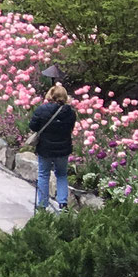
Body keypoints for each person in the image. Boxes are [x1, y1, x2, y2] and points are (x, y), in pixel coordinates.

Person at [28, 83, 78, 212]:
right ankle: (63, 203)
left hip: (45, 148)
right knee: (61, 174)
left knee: (44, 175)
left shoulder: (42, 110)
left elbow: (33, 126)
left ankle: (42, 204)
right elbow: (70, 129)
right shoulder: (70, 113)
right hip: (63, 148)